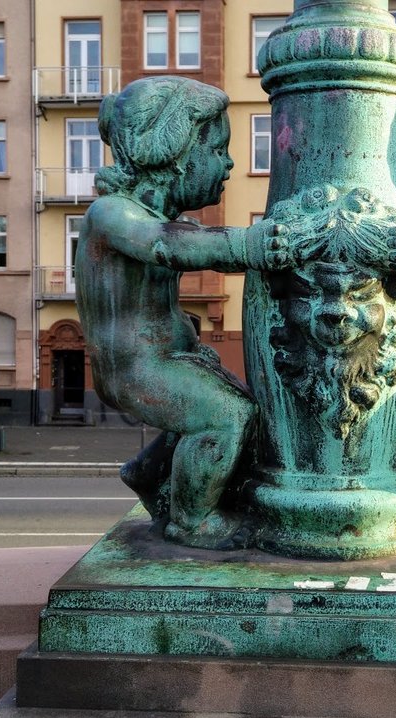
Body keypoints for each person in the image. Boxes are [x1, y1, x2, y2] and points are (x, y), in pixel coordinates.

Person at [76, 76, 286, 549]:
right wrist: (250, 244)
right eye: (217, 149)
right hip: (134, 370)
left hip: (167, 357)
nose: (229, 163)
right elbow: (163, 246)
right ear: (173, 153)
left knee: (245, 408)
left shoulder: (161, 219)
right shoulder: (111, 215)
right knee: (225, 416)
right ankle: (191, 520)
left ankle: (147, 474)